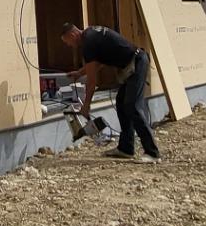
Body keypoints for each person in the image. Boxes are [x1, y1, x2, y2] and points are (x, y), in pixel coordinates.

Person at [60, 22, 160, 163]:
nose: (69, 46)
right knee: (121, 104)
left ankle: (152, 153)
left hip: (135, 64)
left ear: (72, 34)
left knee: (132, 106)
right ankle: (126, 149)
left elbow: (92, 81)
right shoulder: (91, 35)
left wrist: (86, 106)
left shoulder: (88, 43)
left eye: (67, 42)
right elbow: (99, 62)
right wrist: (79, 72)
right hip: (133, 64)